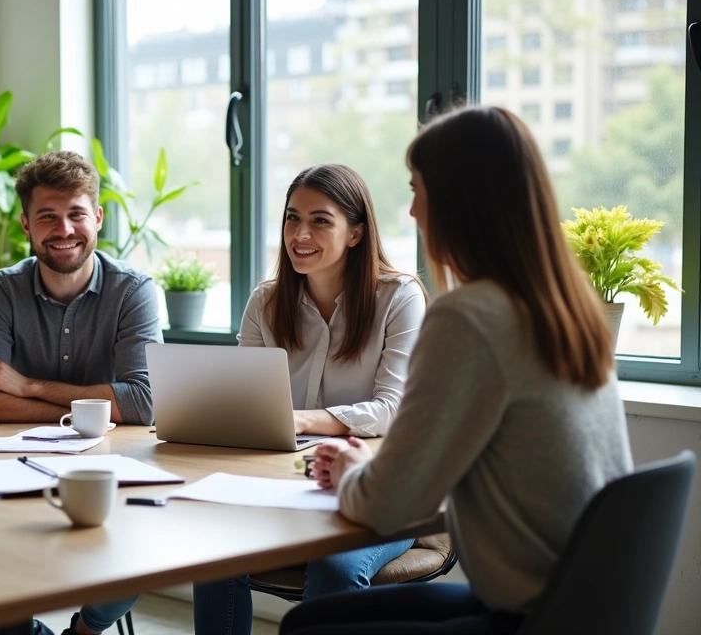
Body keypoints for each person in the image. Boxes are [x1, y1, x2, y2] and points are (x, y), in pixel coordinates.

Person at [281, 106, 634, 634]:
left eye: (419, 190)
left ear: (461, 202)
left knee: (305, 626)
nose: (413, 212)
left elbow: (390, 504)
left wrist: (354, 469)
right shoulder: (564, 307)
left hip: (530, 617)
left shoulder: (469, 317)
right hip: (593, 603)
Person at [0, 151, 161, 635]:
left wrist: (26, 386)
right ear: (26, 225)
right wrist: (95, 405)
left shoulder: (133, 290)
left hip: (106, 468)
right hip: (4, 468)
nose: (64, 229)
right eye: (47, 217)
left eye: (76, 213)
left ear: (97, 217)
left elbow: (143, 400)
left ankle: (83, 632)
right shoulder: (1, 290)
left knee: (151, 535)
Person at [192, 164, 427, 634]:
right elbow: (245, 402)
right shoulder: (265, 302)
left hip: (375, 490)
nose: (300, 234)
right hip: (284, 485)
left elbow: (392, 409)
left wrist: (300, 420)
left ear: (356, 233)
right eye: (291, 218)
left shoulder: (399, 298)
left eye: (320, 220)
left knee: (334, 568)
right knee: (212, 552)